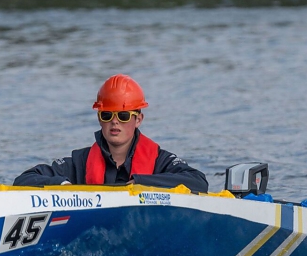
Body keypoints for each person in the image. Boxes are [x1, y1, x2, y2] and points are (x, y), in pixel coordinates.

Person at [13, 74, 209, 193]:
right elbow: (24, 179)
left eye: (123, 116)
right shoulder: (79, 161)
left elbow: (198, 181)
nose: (114, 121)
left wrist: (142, 183)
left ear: (138, 119)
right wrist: (62, 185)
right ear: (100, 118)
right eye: (107, 115)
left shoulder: (160, 160)